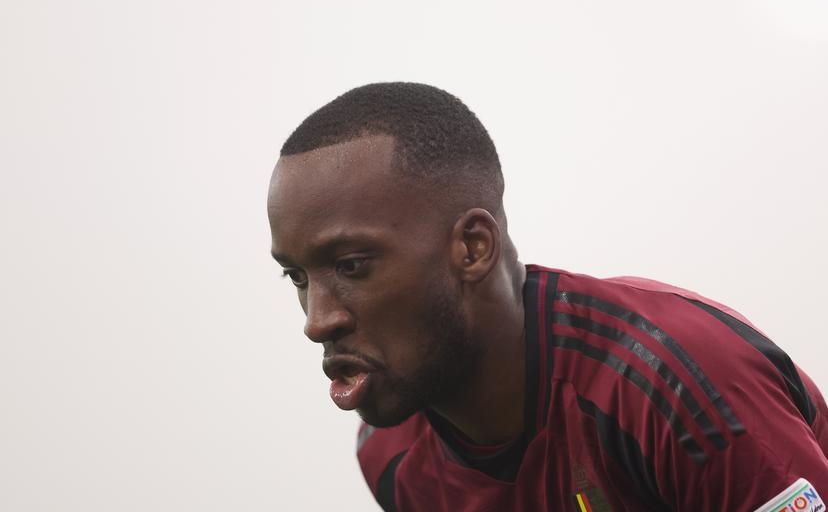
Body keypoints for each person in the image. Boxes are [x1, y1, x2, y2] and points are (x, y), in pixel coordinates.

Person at [267, 82, 828, 511]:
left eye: (351, 266)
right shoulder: (389, 453)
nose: (318, 321)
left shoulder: (672, 383)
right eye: (296, 277)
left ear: (472, 247)